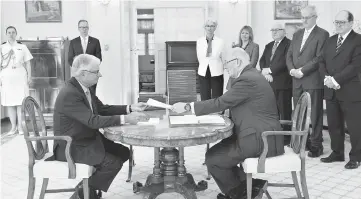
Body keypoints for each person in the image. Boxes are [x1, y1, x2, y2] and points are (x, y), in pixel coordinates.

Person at [172, 47, 284, 199]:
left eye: (226, 63)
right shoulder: (250, 76)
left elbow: (221, 102)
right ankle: (250, 187)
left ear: (237, 62)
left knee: (214, 159)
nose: (225, 67)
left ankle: (241, 194)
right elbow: (233, 103)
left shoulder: (247, 79)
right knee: (213, 154)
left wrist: (187, 106)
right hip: (257, 133)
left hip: (260, 139)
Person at [50, 54, 148, 199]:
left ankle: (86, 188)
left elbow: (103, 109)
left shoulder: (83, 88)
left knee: (124, 153)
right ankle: (83, 193)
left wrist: (130, 108)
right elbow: (93, 121)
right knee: (112, 163)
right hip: (71, 146)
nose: (100, 74)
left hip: (86, 140)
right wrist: (126, 119)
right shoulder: (70, 93)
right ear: (83, 73)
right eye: (96, 72)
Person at [319, 10, 361, 169]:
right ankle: (337, 153)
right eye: (336, 22)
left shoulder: (358, 40)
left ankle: (356, 157)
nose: (338, 25)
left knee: (355, 126)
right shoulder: (330, 41)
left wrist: (336, 80)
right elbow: (321, 62)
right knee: (334, 124)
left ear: (351, 23)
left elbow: (356, 65)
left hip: (350, 90)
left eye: (341, 22)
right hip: (331, 90)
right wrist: (327, 79)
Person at [286, 5, 329, 158]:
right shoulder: (297, 34)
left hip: (312, 80)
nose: (303, 20)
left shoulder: (323, 34)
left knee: (315, 114)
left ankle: (316, 145)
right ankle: (301, 143)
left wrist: (301, 71)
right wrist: (292, 70)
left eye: (307, 17)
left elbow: (319, 58)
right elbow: (289, 54)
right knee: (298, 114)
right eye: (302, 17)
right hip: (296, 81)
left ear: (315, 17)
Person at [260, 23, 292, 144]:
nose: (274, 32)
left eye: (277, 30)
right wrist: (265, 72)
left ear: (284, 32)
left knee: (284, 111)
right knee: (272, 111)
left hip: (283, 84)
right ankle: (274, 133)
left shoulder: (289, 44)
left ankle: (286, 137)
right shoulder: (269, 45)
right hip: (269, 83)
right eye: (272, 30)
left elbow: (285, 61)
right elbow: (262, 60)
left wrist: (270, 70)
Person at [0, 26, 33, 135]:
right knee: (10, 103)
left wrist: (29, 77)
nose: (11, 34)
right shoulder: (2, 47)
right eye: (9, 32)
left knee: (20, 103)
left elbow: (28, 63)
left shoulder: (22, 47)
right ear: (6, 34)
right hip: (7, 78)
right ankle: (13, 127)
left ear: (16, 33)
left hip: (20, 76)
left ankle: (20, 127)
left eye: (13, 32)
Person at [68, 19, 102, 93]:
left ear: (88, 28)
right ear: (78, 29)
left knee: (92, 96)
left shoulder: (95, 42)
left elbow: (99, 59)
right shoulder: (73, 42)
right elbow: (70, 59)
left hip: (91, 75)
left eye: (86, 27)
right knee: (79, 96)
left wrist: (88, 69)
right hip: (78, 75)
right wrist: (79, 69)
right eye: (82, 27)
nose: (84, 29)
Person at [196, 18, 225, 101]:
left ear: (215, 27)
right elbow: (199, 57)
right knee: (204, 95)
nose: (209, 28)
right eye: (207, 26)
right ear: (204, 27)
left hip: (217, 70)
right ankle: (206, 112)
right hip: (203, 70)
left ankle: (218, 112)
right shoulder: (199, 41)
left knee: (217, 94)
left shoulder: (221, 41)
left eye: (212, 26)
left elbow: (223, 57)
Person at [227, 25, 259, 91]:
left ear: (250, 35)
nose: (244, 35)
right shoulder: (235, 46)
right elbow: (231, 63)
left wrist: (242, 72)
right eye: (243, 33)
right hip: (234, 77)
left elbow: (253, 64)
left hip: (247, 76)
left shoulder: (255, 46)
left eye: (247, 33)